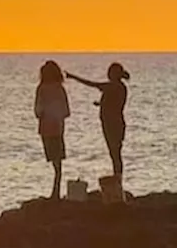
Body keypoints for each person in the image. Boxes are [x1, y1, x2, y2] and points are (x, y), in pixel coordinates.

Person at [66, 62, 130, 177]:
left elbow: (92, 84)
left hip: (112, 124)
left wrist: (73, 77)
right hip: (114, 123)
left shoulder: (113, 86)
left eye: (110, 72)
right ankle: (118, 178)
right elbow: (114, 103)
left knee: (115, 154)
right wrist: (101, 104)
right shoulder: (120, 87)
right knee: (115, 153)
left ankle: (118, 179)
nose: (108, 74)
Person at [34, 61, 70, 199]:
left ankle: (55, 192)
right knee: (58, 162)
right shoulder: (59, 88)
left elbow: (38, 110)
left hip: (46, 128)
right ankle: (56, 190)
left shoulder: (42, 88)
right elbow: (66, 111)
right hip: (58, 127)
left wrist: (44, 114)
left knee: (54, 161)